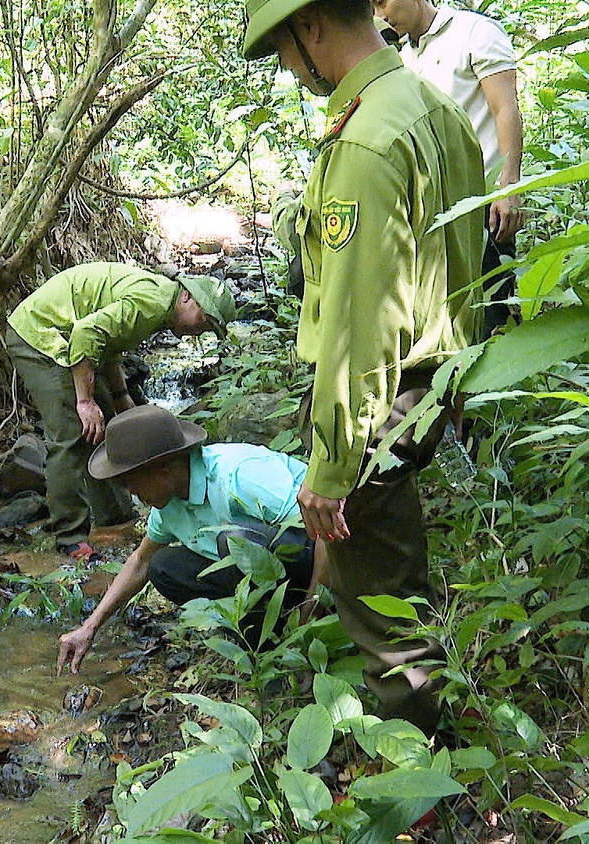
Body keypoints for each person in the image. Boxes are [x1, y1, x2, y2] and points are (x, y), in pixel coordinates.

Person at [240, 0, 487, 735]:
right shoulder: (432, 106)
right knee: (395, 579)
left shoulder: (366, 141)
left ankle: (419, 776)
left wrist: (333, 465)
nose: (289, 68)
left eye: (284, 50)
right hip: (433, 383)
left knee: (381, 611)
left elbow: (358, 326)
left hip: (382, 400)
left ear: (311, 29)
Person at [56, 405, 325, 674]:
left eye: (133, 482)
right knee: (163, 567)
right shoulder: (168, 503)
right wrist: (90, 627)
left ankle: (284, 633)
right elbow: (141, 560)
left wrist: (310, 611)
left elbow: (328, 529)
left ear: (165, 471)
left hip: (315, 558)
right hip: (266, 572)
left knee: (233, 542)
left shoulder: (239, 476)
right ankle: (261, 635)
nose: (133, 493)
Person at [5, 262, 236, 561]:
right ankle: (70, 538)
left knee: (111, 429)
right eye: (202, 322)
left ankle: (115, 519)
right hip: (40, 335)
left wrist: (119, 395)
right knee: (74, 432)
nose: (197, 332)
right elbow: (86, 333)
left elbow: (109, 343)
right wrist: (85, 402)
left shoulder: (159, 304)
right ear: (187, 298)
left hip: (68, 338)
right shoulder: (152, 303)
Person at [376, 0, 525, 337]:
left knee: (489, 320)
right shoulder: (403, 58)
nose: (380, 15)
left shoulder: (475, 32)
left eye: (382, 2)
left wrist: (509, 188)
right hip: (432, 217)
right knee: (440, 327)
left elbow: (506, 110)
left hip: (483, 208)